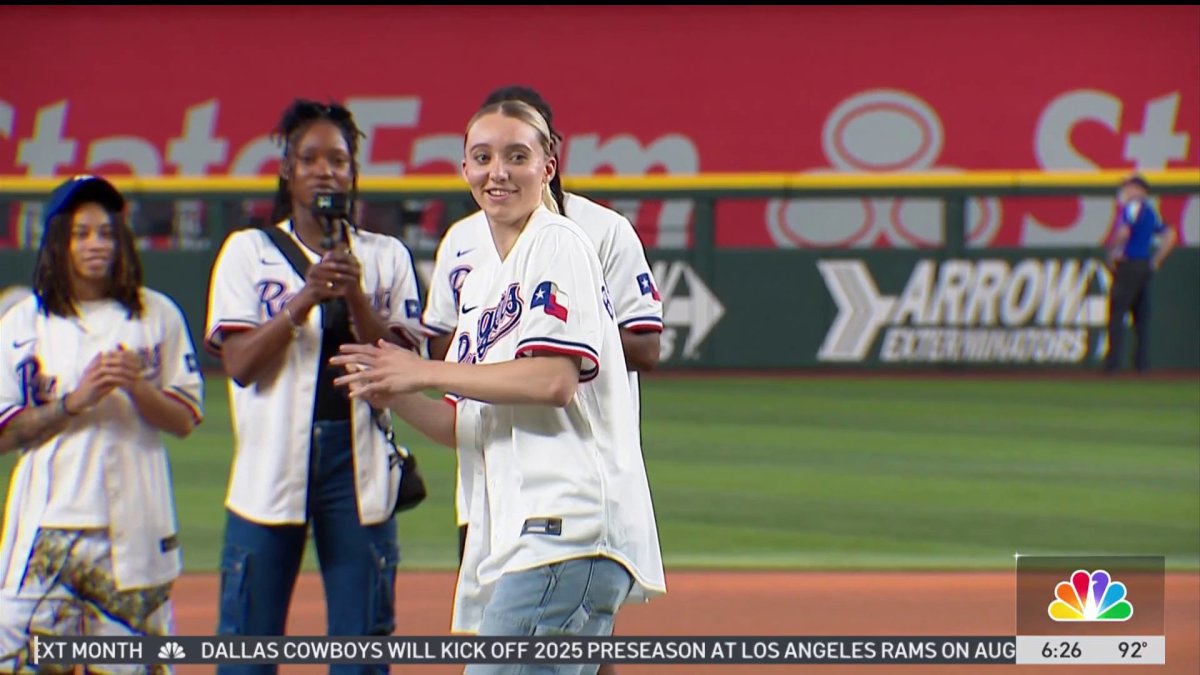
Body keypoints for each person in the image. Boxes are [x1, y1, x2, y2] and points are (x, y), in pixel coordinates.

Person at [333, 100, 666, 675]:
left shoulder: (557, 243)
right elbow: (465, 425)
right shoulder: (484, 279)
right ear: (464, 170)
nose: (499, 172)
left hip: (568, 530)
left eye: (517, 156)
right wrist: (392, 390)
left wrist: (425, 371)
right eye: (482, 157)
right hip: (531, 539)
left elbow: (554, 380)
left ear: (549, 166)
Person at [203, 99, 427, 675]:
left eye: (339, 160)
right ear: (287, 170)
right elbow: (241, 365)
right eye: (310, 158)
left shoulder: (385, 256)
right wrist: (303, 299)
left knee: (362, 649)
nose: (325, 170)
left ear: (353, 174)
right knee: (248, 647)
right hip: (270, 464)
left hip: (358, 465)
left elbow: (405, 365)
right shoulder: (247, 252)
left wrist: (354, 294)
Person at [0, 175, 204, 674]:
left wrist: (138, 388)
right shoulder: (23, 323)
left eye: (106, 232)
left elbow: (183, 420)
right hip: (45, 531)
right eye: (81, 233)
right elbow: (5, 434)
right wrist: (75, 401)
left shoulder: (157, 315)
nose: (97, 244)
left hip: (136, 531)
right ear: (58, 240)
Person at [1104, 173, 1176, 374]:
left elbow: (1124, 232)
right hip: (1143, 266)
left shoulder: (1133, 207)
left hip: (1129, 265)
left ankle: (1113, 365)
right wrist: (1155, 261)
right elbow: (1170, 235)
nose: (1126, 190)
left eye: (1130, 187)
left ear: (1140, 190)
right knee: (1141, 316)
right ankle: (1141, 365)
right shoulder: (1152, 212)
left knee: (1117, 313)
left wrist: (1112, 252)